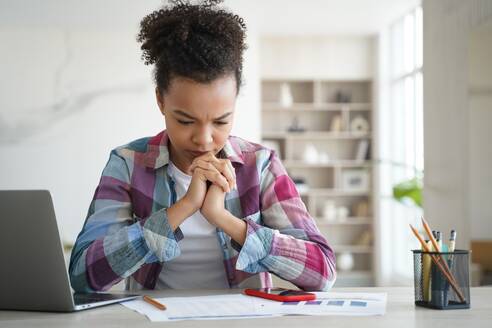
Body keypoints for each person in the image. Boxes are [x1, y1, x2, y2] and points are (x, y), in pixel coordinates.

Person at [69, 0, 336, 292]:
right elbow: (83, 275)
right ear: (161, 101)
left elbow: (322, 273)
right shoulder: (127, 163)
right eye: (185, 121)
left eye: (221, 121)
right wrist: (184, 207)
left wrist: (223, 219)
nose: (204, 139)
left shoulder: (260, 165)